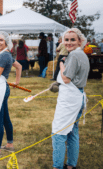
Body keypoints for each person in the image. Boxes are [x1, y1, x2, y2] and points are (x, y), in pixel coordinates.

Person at [51, 28, 89, 169]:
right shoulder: (81, 55)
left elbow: (66, 78)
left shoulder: (73, 56)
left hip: (70, 100)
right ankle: (71, 165)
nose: (69, 42)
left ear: (80, 41)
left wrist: (61, 64)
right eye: (66, 39)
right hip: (78, 96)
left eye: (73, 39)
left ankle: (57, 166)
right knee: (72, 132)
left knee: (58, 132)